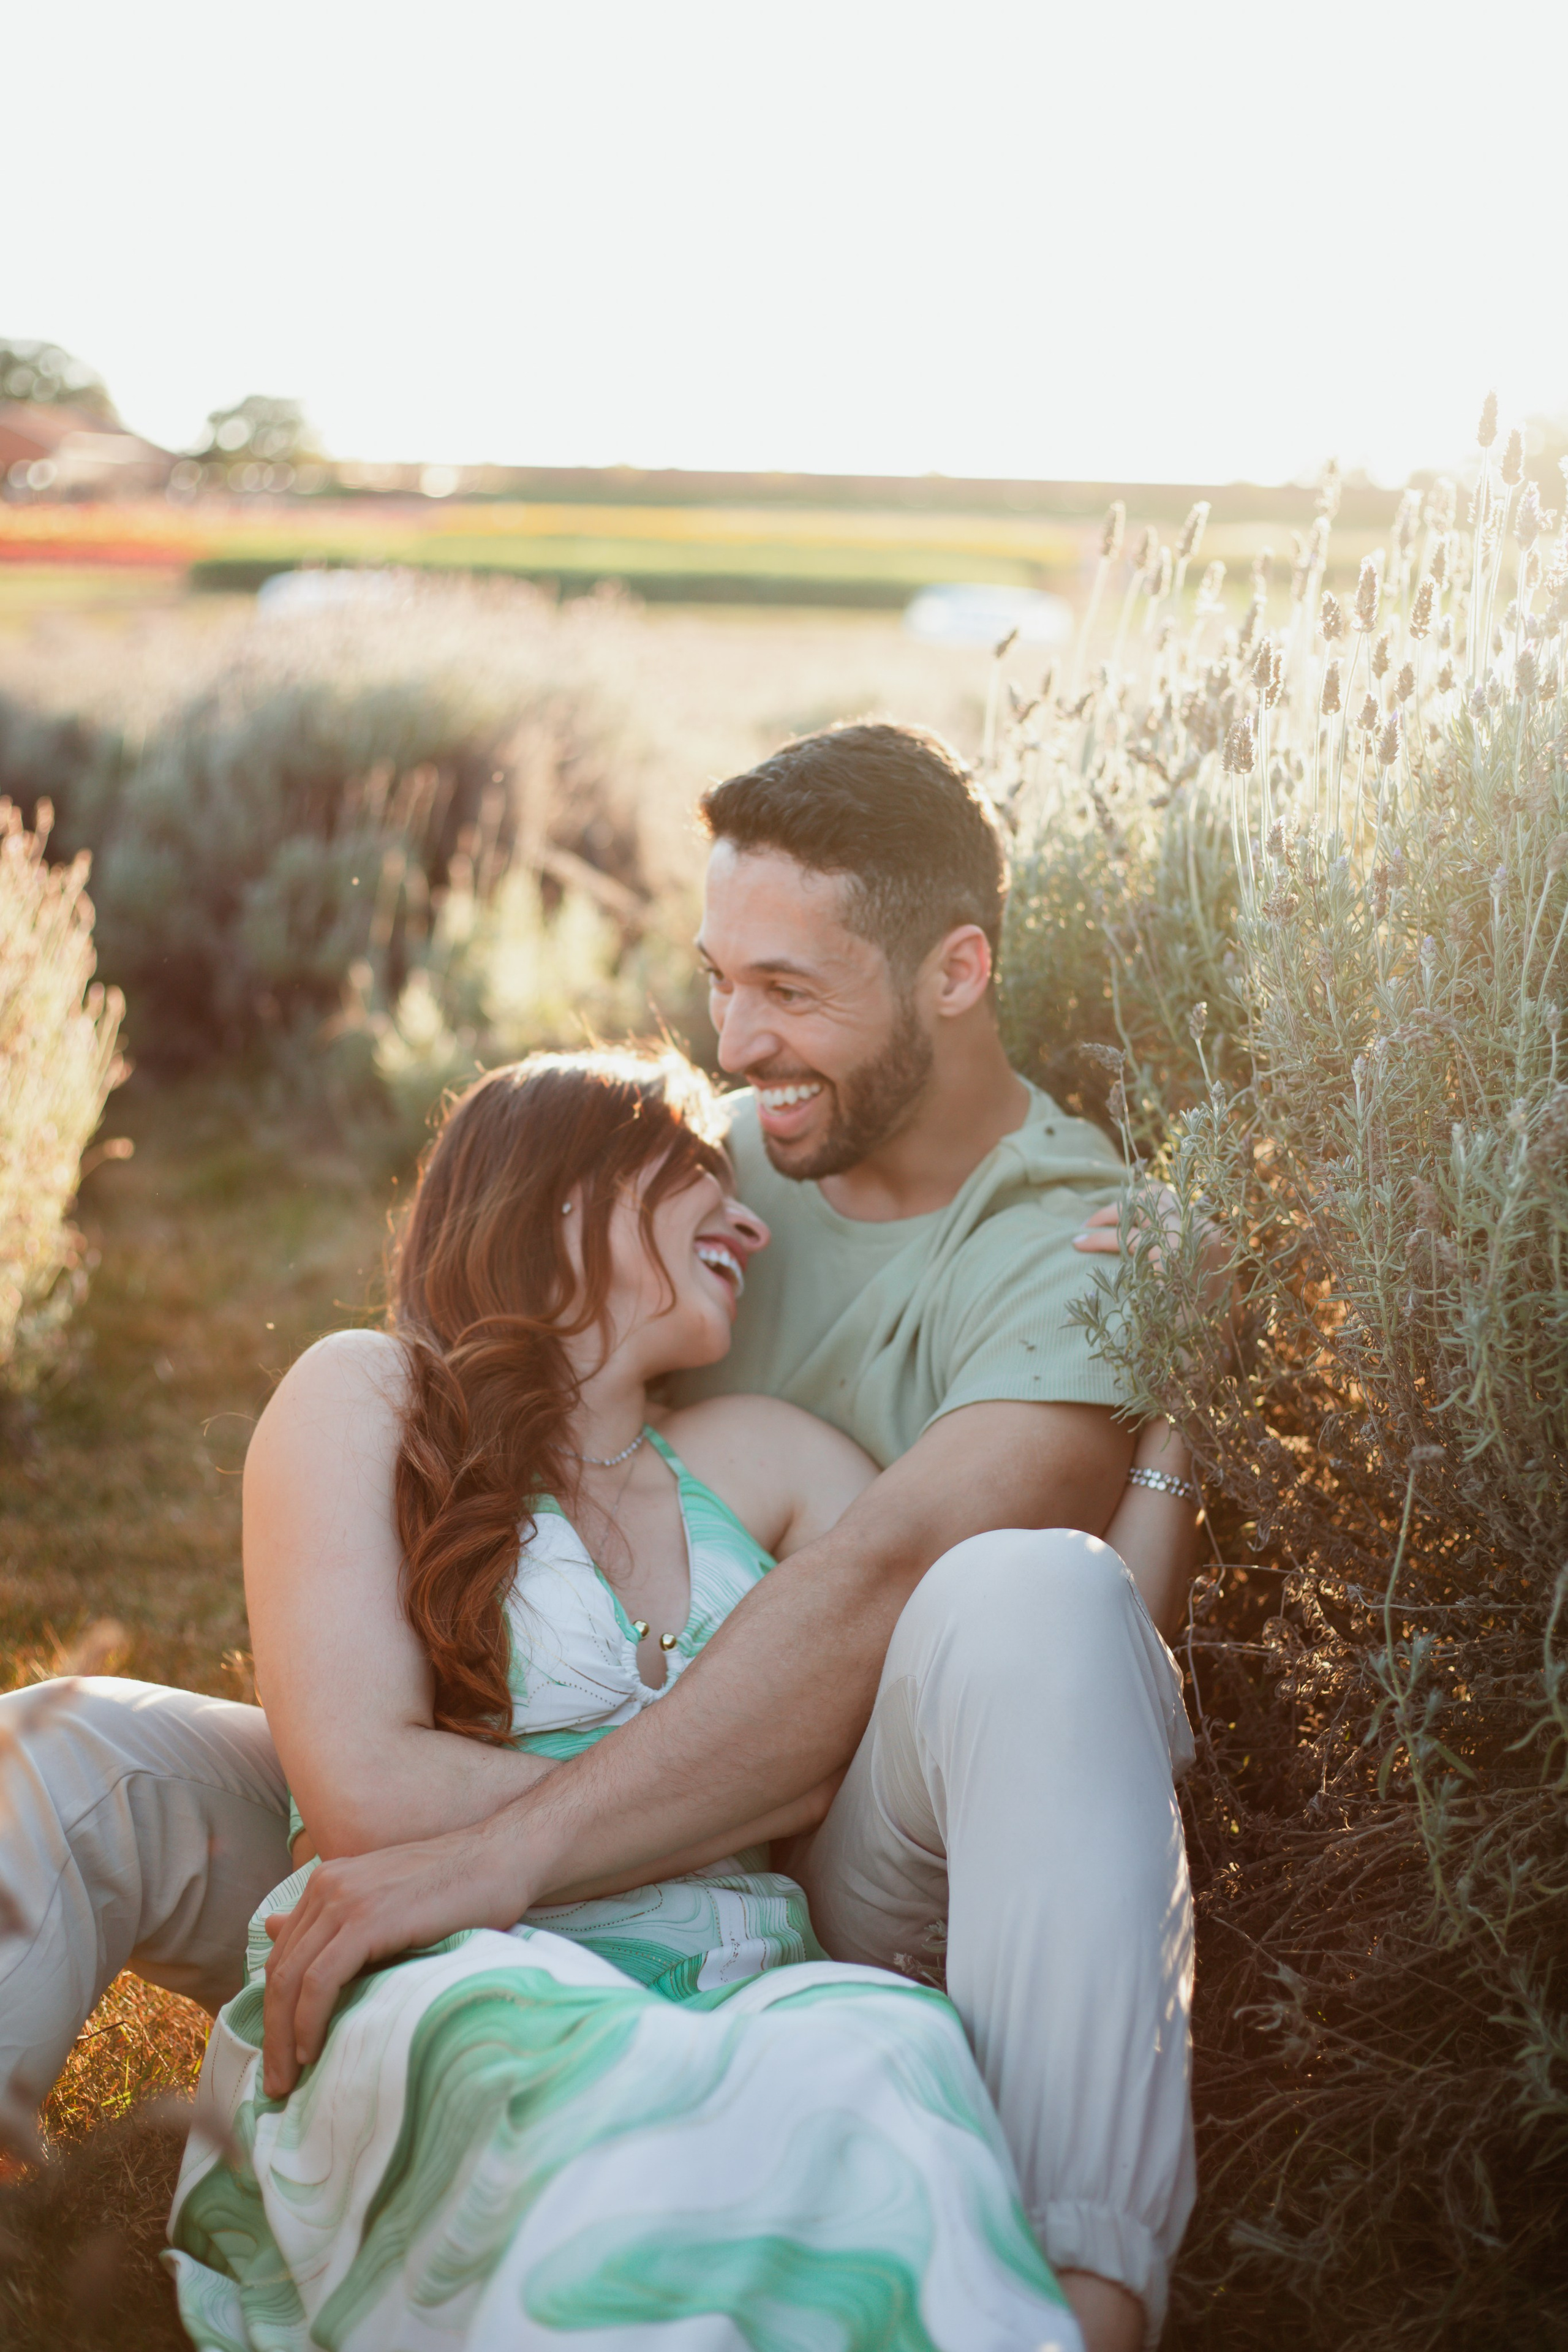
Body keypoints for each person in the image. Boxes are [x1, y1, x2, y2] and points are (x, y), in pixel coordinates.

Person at [0, 722, 1202, 2350]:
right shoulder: (706, 1155)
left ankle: (1072, 2294)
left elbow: (954, 1593)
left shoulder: (1066, 1240)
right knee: (61, 1755)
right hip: (476, 1819)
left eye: (786, 990)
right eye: (719, 981)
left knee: (1033, 1599)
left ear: (956, 970)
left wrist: (1180, 1423)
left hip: (807, 1843)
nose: (735, 1044)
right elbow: (363, 1759)